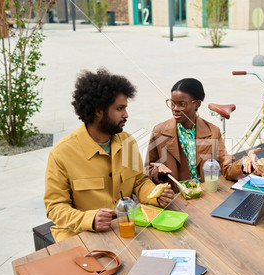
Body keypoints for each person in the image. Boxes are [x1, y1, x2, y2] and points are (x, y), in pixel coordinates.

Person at [44, 68, 174, 242]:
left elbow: (139, 181)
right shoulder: (61, 154)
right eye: (120, 109)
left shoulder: (127, 141)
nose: (126, 115)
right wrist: (88, 219)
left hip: (125, 228)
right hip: (80, 237)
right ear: (98, 111)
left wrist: (155, 195)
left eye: (125, 108)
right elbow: (55, 207)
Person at [146, 78, 260, 190]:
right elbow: (147, 169)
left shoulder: (213, 132)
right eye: (172, 103)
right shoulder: (160, 132)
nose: (175, 109)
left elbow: (227, 168)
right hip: (176, 198)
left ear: (197, 104)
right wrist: (158, 172)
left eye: (182, 104)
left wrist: (245, 164)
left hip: (204, 195)